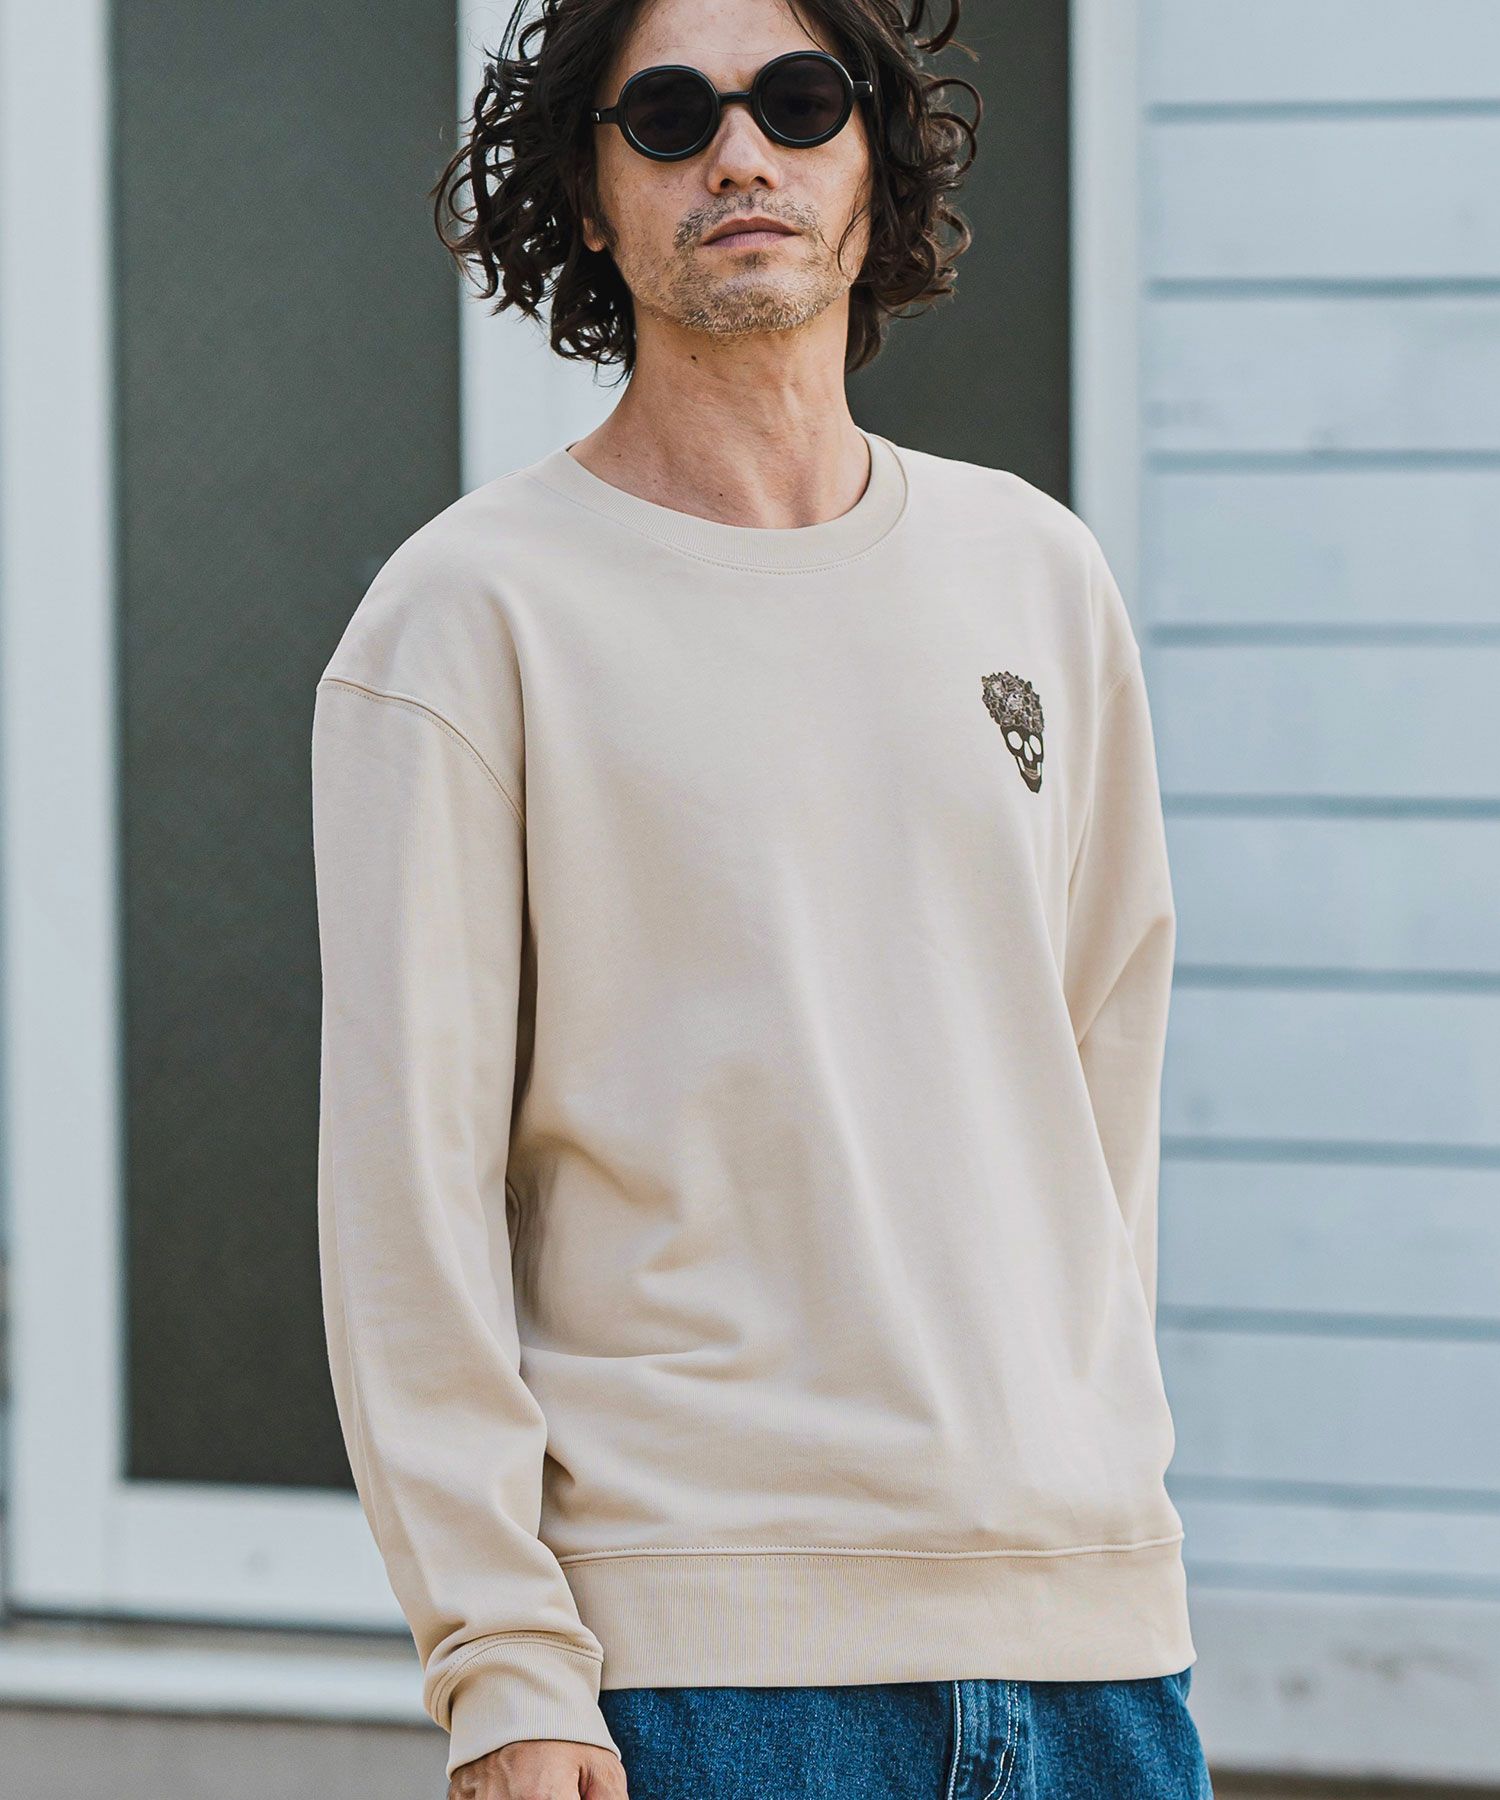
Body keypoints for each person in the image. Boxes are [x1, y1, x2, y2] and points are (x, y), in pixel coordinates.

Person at [309, 0, 1214, 1795]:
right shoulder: (471, 617)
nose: (741, 154)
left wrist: (1092, 1489)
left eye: (800, 103)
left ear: (875, 164)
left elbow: (1102, 1081)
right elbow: (409, 1191)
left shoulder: (1038, 575)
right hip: (702, 1675)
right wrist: (504, 1660)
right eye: (668, 115)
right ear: (588, 194)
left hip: (1093, 1655)